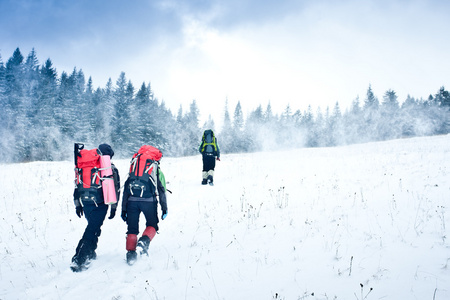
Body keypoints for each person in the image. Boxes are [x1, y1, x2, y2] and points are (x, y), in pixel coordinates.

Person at [71, 143, 120, 272]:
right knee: (92, 229)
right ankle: (78, 258)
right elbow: (115, 189)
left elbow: (77, 184)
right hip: (100, 203)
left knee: (93, 227)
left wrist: (78, 205)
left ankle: (91, 252)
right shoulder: (110, 169)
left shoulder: (84, 166)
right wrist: (114, 208)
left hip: (85, 201)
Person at [121, 145, 168, 265]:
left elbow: (126, 188)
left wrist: (123, 208)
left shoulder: (134, 165)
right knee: (152, 225)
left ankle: (130, 255)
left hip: (131, 200)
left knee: (131, 229)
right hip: (149, 201)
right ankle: (144, 242)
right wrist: (164, 208)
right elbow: (161, 190)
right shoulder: (155, 167)